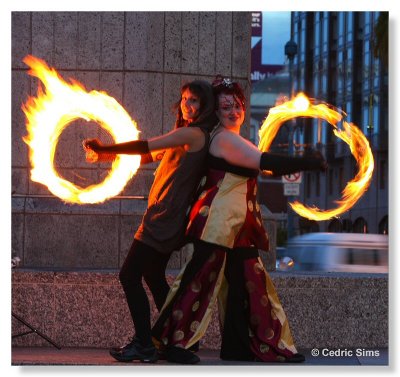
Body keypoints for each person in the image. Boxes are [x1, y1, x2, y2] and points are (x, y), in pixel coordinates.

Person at [151, 76, 327, 364]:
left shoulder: (234, 139)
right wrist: (307, 161)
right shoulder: (223, 139)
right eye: (225, 107)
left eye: (237, 106)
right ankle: (172, 341)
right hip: (217, 222)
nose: (234, 112)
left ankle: (242, 345)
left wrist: (307, 162)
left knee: (248, 283)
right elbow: (265, 162)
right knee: (199, 280)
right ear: (215, 112)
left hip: (239, 225)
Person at [84, 80, 218, 363]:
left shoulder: (194, 134)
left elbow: (146, 144)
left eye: (194, 100)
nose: (187, 105)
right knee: (154, 277)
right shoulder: (185, 135)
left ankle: (145, 344)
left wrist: (106, 147)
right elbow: (150, 155)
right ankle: (178, 336)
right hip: (164, 216)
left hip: (164, 219)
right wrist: (104, 155)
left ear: (205, 106)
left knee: (129, 275)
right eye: (184, 99)